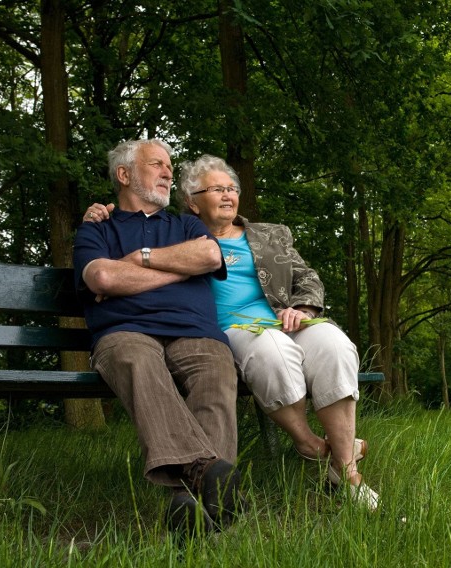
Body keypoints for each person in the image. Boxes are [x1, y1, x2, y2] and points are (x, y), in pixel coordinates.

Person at [85, 154, 379, 510]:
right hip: (234, 329)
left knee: (335, 345)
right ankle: (282, 454)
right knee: (269, 349)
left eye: (232, 188)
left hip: (283, 319)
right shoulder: (177, 230)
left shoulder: (264, 234)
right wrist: (111, 231)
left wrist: (302, 308)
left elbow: (302, 275)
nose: (228, 195)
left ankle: (344, 469)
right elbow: (110, 266)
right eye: (217, 189)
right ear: (192, 201)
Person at [73, 139, 243, 535]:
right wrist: (180, 269)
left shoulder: (186, 224)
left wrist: (139, 260)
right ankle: (205, 475)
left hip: (194, 331)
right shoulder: (97, 228)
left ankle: (188, 505)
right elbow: (101, 276)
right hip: (125, 331)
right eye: (157, 165)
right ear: (124, 174)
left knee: (216, 372)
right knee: (138, 361)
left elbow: (211, 257)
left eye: (170, 166)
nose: (169, 172)